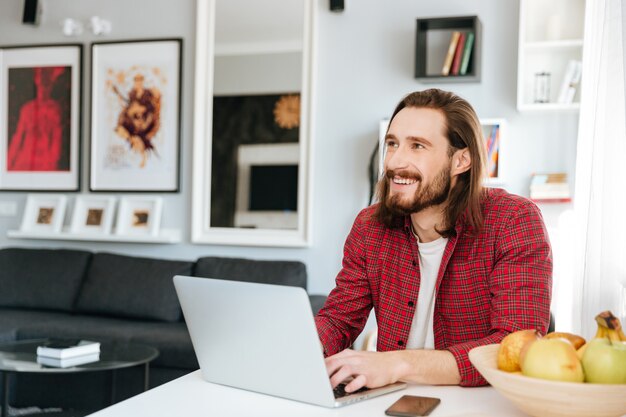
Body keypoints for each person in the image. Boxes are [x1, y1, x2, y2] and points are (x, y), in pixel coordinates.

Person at [315, 88, 552, 391]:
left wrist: (398, 363)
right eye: (392, 143)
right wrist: (299, 348)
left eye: (417, 146)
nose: (395, 162)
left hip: (478, 405)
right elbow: (338, 320)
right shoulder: (369, 227)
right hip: (391, 403)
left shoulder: (513, 221)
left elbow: (515, 346)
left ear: (460, 161)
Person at [7, 66, 66, 171]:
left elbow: (56, 142)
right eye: (41, 85)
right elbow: (17, 139)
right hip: (24, 160)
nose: (43, 89)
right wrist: (9, 163)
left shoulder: (55, 110)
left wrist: (51, 165)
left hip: (45, 162)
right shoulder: (27, 109)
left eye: (46, 85)